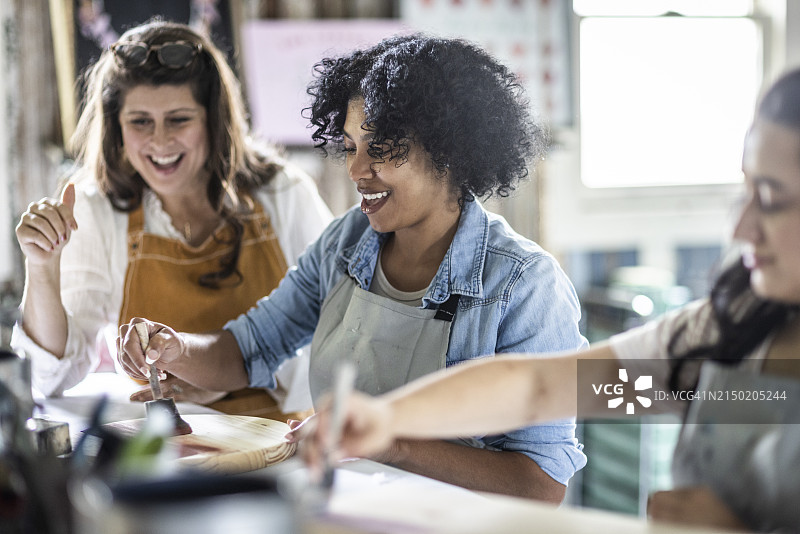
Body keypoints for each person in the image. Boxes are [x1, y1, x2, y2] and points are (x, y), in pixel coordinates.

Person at [294, 68, 800, 532]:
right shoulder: (717, 339)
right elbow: (540, 388)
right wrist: (391, 419)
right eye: (746, 192)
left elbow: (541, 476)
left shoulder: (524, 277)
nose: (741, 228)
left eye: (772, 199)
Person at [117, 33, 588, 502]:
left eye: (380, 148)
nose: (356, 170)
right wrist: (175, 349)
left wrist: (391, 442)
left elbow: (540, 483)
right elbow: (251, 348)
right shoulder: (347, 241)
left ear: (450, 149)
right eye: (349, 146)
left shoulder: (524, 284)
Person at [13, 20, 333, 418]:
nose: (160, 142)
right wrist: (42, 266)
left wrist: (214, 373)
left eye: (179, 119)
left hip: (288, 440)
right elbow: (50, 378)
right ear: (116, 129)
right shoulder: (97, 210)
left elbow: (337, 334)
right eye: (140, 121)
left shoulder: (284, 193)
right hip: (170, 452)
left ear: (213, 121)